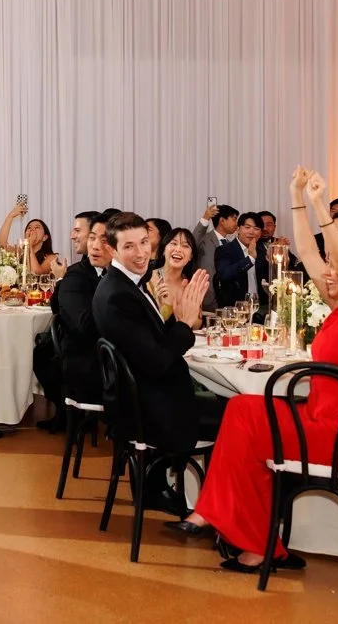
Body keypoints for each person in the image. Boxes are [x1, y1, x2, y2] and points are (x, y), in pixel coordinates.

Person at [168, 167, 338, 573]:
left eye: (336, 268)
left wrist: (321, 205)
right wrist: (296, 197)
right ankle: (244, 533)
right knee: (241, 409)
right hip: (316, 419)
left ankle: (231, 527)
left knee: (247, 424)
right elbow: (309, 252)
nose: (326, 271)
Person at [93, 211, 219, 497]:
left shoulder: (127, 283)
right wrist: (184, 325)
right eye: (129, 246)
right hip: (150, 410)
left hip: (146, 398)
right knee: (235, 416)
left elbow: (152, 339)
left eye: (143, 242)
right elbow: (157, 361)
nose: (141, 253)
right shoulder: (117, 294)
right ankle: (212, 504)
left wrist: (176, 318)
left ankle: (163, 489)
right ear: (112, 250)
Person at [41, 211, 111, 434]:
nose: (73, 236)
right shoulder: (76, 276)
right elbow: (81, 325)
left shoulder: (121, 275)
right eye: (92, 238)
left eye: (78, 230)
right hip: (89, 355)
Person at [148, 225, 216, 316]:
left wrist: (192, 311)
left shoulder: (190, 286)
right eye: (174, 243)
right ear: (164, 250)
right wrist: (154, 303)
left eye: (185, 246)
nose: (178, 249)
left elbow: (197, 323)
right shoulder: (147, 278)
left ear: (191, 256)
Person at [212, 213, 269, 308]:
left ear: (260, 233)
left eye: (256, 229)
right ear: (238, 229)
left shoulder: (262, 251)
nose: (251, 232)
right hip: (236, 308)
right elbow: (225, 274)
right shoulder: (224, 250)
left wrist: (274, 261)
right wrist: (250, 259)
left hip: (261, 307)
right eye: (247, 227)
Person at [0, 198, 62, 279]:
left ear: (45, 237)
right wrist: (10, 216)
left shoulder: (51, 258)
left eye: (37, 227)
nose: (32, 230)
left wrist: (29, 245)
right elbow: (2, 244)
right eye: (29, 227)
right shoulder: (20, 252)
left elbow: (36, 273)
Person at [192, 203, 242, 276]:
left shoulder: (231, 245)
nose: (236, 224)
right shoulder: (204, 240)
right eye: (234, 219)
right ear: (222, 220)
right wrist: (205, 218)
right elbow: (193, 243)